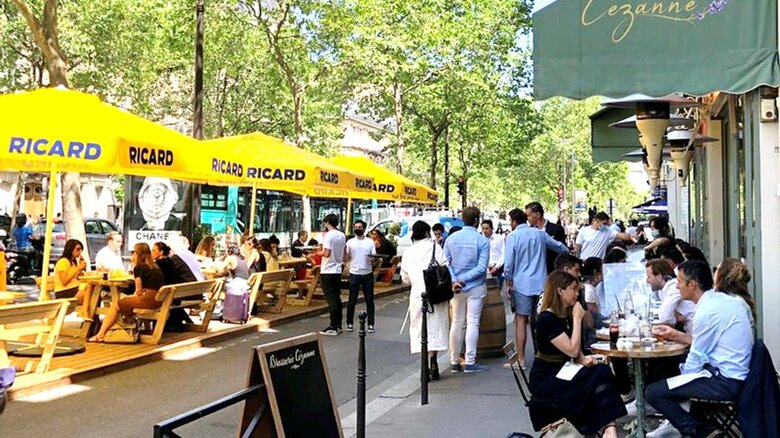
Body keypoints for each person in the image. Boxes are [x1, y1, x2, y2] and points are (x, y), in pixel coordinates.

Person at [646, 260, 753, 437]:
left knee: (653, 393)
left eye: (679, 281)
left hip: (726, 381)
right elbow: (704, 346)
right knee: (669, 365)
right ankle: (698, 423)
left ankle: (700, 431)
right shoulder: (722, 301)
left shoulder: (707, 311)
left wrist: (680, 384)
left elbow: (696, 358)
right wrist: (676, 336)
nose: (677, 286)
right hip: (734, 373)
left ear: (692, 284)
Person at [529, 271, 626, 437]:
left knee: (600, 370)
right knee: (599, 375)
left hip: (565, 369)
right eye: (573, 289)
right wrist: (577, 319)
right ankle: (609, 428)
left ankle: (609, 427)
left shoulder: (564, 314)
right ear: (560, 291)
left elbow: (577, 350)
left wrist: (583, 359)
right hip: (547, 377)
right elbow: (572, 349)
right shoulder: (547, 318)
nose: (576, 293)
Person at [504, 209, 569, 367]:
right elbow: (560, 247)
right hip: (541, 283)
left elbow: (509, 263)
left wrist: (508, 279)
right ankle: (543, 355)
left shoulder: (513, 236)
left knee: (521, 320)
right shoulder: (540, 234)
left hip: (521, 284)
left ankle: (521, 359)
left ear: (514, 221)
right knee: (542, 319)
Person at [401, 221, 449, 381]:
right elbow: (445, 268)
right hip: (436, 293)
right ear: (428, 232)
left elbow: (405, 278)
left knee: (419, 329)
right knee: (435, 327)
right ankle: (433, 358)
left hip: (418, 294)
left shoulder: (408, 251)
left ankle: (424, 365)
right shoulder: (436, 247)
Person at [89, 243, 166, 343]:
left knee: (116, 305)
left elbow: (138, 291)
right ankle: (144, 328)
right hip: (158, 301)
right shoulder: (155, 266)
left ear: (138, 254)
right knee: (124, 301)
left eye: (134, 252)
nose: (132, 255)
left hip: (148, 301)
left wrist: (128, 299)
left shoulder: (139, 267)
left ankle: (100, 334)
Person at [445, 206, 491, 373]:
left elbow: (446, 263)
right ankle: (470, 361)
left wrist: (455, 280)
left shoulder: (451, 239)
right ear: (477, 220)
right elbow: (481, 267)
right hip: (476, 286)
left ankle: (454, 361)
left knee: (457, 322)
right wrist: (463, 279)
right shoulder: (482, 241)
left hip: (456, 288)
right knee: (473, 323)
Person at [647, 259, 695, 333]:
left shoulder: (673, 287)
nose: (647, 281)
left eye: (649, 277)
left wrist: (673, 317)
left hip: (693, 333)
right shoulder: (666, 289)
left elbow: (664, 317)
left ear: (659, 276)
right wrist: (674, 314)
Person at [345, 220, 376, 333]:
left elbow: (373, 256)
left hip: (367, 273)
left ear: (364, 228)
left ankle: (371, 323)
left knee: (369, 299)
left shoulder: (370, 242)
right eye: (356, 227)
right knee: (352, 300)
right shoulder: (350, 242)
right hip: (354, 273)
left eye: (360, 227)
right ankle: (349, 323)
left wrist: (372, 259)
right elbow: (347, 256)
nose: (357, 229)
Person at [318, 214, 347, 336]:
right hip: (337, 269)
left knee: (331, 299)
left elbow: (327, 253)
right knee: (336, 297)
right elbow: (344, 253)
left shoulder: (329, 235)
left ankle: (333, 326)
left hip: (327, 269)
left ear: (327, 222)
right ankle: (338, 325)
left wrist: (317, 252)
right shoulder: (342, 235)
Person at [54, 239, 91, 319]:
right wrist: (78, 268)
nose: (80, 251)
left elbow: (78, 277)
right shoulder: (63, 262)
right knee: (90, 290)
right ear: (70, 249)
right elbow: (64, 281)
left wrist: (82, 268)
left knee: (95, 294)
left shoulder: (73, 262)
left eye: (81, 249)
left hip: (74, 289)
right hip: (64, 292)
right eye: (78, 249)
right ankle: (84, 311)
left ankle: (93, 320)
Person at [714, 258, 757, 329]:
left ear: (722, 274)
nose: (714, 273)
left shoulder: (732, 303)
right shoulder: (741, 301)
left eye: (715, 269)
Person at [525, 202, 567, 274]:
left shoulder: (557, 229)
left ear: (538, 214)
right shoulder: (528, 231)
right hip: (534, 272)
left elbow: (562, 251)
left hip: (552, 271)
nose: (527, 219)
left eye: (529, 215)